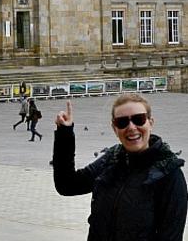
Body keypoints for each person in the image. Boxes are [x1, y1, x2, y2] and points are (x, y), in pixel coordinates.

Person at [53, 94, 187, 240]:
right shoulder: (111, 160)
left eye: (139, 119)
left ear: (150, 122)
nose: (131, 127)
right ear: (114, 128)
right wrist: (64, 134)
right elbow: (67, 185)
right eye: (122, 122)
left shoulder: (169, 174)